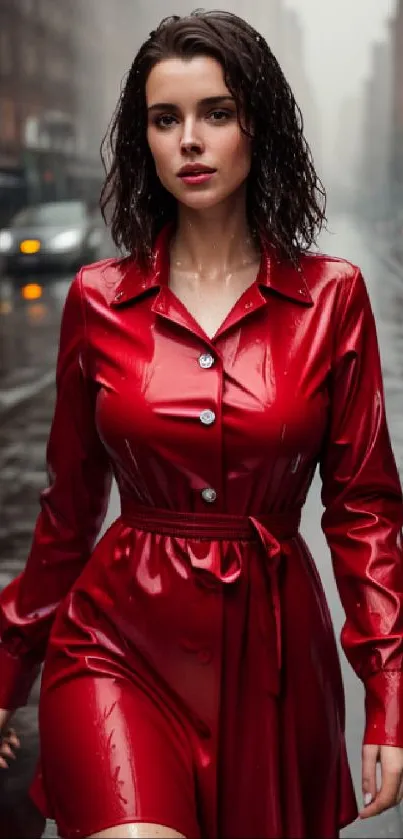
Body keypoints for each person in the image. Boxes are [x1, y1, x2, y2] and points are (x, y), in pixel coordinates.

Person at [0, 10, 403, 839]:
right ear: (141, 139)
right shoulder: (97, 301)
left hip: (274, 666)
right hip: (116, 645)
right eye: (164, 118)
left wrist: (388, 692)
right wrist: (7, 672)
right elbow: (67, 513)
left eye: (215, 113)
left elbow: (363, 510)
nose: (189, 139)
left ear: (259, 125)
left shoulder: (332, 298)